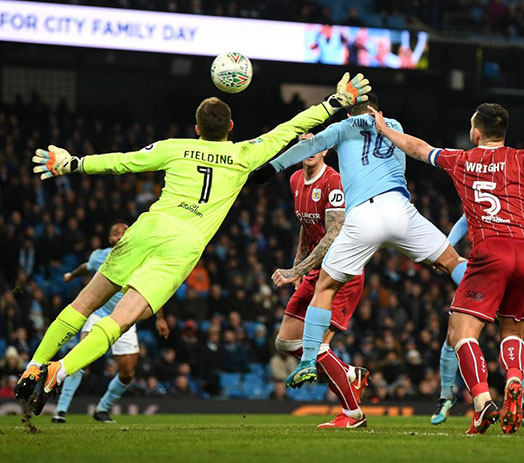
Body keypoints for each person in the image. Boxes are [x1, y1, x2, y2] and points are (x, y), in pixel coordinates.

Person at [15, 73, 371, 415]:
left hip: (147, 229)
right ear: (231, 127)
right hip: (181, 246)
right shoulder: (244, 155)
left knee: (82, 304)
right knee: (120, 320)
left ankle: (34, 365)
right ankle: (58, 371)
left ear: (197, 129)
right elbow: (292, 127)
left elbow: (122, 162)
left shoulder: (175, 147)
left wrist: (73, 163)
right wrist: (336, 102)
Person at [370, 103, 524, 434]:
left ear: (476, 133)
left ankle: (482, 402)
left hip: (490, 251)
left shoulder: (461, 159)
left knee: (462, 332)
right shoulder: (521, 158)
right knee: (513, 332)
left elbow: (418, 148)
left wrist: (384, 129)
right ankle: (514, 379)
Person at [255, 94, 468, 391]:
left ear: (348, 113)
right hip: (400, 209)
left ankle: (307, 361)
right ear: (377, 110)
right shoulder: (393, 125)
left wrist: (270, 169)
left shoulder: (342, 128)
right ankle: (485, 299)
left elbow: (307, 146)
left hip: (362, 216)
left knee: (325, 287)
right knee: (452, 261)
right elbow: (411, 152)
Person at [270, 133, 370, 429]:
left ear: (326, 150)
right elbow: (306, 225)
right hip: (317, 270)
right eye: (304, 144)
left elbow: (334, 233)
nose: (311, 149)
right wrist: (298, 267)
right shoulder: (295, 180)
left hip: (342, 271)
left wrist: (296, 270)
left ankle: (352, 414)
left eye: (317, 144)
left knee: (318, 347)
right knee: (286, 341)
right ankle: (350, 373)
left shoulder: (334, 182)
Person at [432, 194, 524, 427]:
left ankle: (452, 397)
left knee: (462, 332)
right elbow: (464, 221)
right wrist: (445, 248)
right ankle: (451, 396)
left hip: (499, 270)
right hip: (503, 270)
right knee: (510, 336)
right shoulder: (502, 194)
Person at [52, 221, 170, 423]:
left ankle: (102, 409)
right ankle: (60, 411)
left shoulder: (144, 258)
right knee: (80, 358)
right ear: (110, 238)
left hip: (125, 318)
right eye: (115, 232)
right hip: (100, 314)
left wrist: (160, 318)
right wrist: (72, 275)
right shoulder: (100, 256)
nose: (120, 235)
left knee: (127, 374)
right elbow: (86, 267)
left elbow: (153, 290)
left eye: (124, 232)